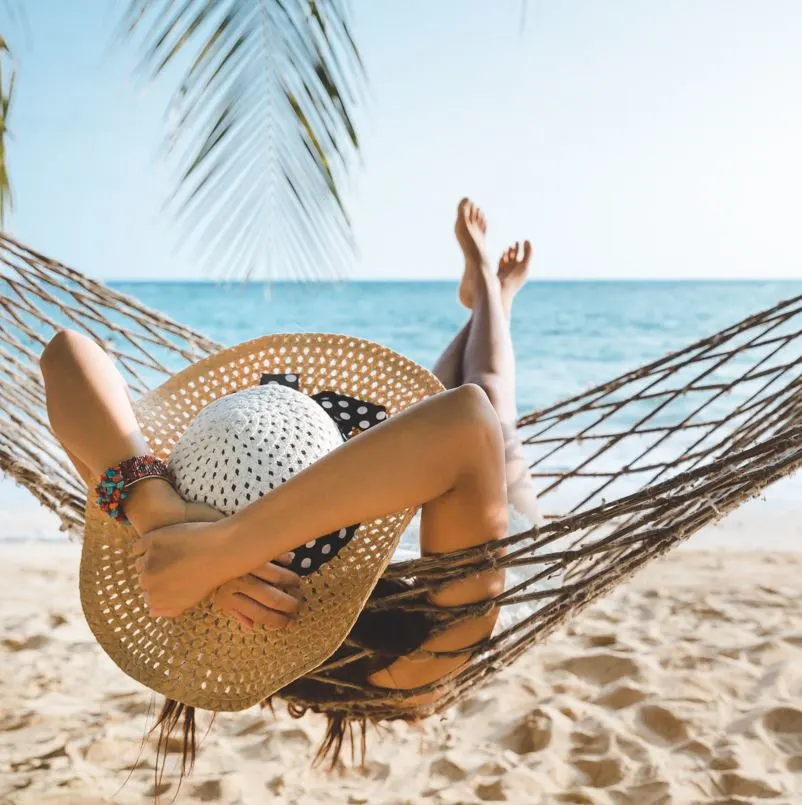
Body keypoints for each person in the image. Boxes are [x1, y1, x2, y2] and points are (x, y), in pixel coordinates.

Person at [39, 197, 541, 767]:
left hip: (382, 493)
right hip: (501, 555)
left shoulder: (165, 569)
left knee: (443, 386)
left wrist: (160, 516)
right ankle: (493, 298)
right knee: (492, 391)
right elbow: (467, 421)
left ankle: (483, 301)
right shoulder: (421, 657)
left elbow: (63, 355)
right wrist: (217, 553)